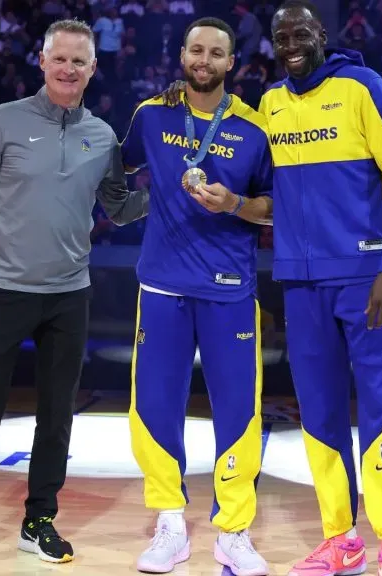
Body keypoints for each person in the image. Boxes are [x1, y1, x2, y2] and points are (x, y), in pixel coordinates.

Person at [164, 2, 382, 574]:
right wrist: (225, 197)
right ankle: (342, 539)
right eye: (281, 36)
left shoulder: (365, 88)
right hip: (301, 284)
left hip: (365, 279)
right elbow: (267, 196)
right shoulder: (271, 107)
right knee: (320, 414)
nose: (291, 43)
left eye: (301, 32)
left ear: (322, 34)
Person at [0, 18, 149, 576]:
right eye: (60, 59)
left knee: (57, 418)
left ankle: (39, 520)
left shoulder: (102, 137)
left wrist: (174, 189)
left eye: (80, 61)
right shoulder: (5, 120)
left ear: (94, 69)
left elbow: (119, 209)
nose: (69, 69)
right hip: (2, 290)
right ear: (42, 61)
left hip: (69, 295)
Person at [120, 16, 273, 576]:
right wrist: (123, 210)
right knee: (155, 405)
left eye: (216, 53)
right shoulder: (151, 115)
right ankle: (169, 522)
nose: (204, 60)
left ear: (232, 63)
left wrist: (233, 203)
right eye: (196, 50)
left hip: (230, 289)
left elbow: (273, 207)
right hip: (161, 283)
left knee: (238, 410)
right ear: (182, 55)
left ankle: (233, 529)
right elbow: (117, 167)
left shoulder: (255, 130)